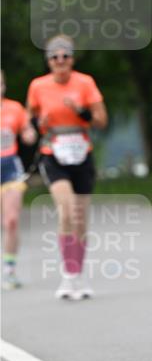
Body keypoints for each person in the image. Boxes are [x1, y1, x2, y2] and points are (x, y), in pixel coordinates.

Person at [26, 35, 108, 299]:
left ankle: (79, 275)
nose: (60, 61)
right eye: (54, 57)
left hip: (81, 153)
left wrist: (81, 111)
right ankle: (68, 275)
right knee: (67, 211)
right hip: (54, 153)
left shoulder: (85, 83)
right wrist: (41, 122)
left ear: (72, 59)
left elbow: (101, 121)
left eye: (65, 56)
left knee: (81, 218)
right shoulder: (38, 86)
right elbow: (29, 123)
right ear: (48, 61)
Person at [1, 70, 37, 289]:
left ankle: (10, 270)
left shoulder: (15, 108)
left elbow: (27, 130)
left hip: (10, 168)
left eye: (1, 84)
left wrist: (29, 134)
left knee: (11, 221)